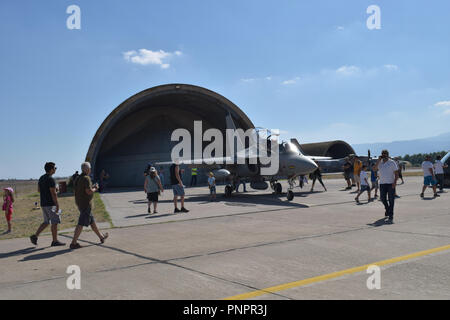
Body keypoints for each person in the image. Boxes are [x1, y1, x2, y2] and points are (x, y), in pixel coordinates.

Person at [70, 162, 109, 250]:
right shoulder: (86, 178)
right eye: (89, 168)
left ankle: (101, 237)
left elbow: (77, 190)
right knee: (80, 224)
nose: (90, 170)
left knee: (92, 222)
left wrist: (92, 188)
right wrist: (96, 188)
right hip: (85, 204)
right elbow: (88, 191)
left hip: (80, 203)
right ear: (87, 169)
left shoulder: (78, 178)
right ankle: (73, 243)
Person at [30, 162, 65, 246]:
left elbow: (39, 190)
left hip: (43, 203)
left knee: (46, 222)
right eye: (55, 168)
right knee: (55, 222)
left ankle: (35, 236)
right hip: (51, 204)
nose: (55, 169)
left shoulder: (41, 178)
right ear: (51, 169)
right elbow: (53, 193)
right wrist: (57, 204)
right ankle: (55, 241)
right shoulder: (51, 179)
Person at [373, 150, 398, 224]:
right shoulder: (379, 163)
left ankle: (391, 215)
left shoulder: (392, 162)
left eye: (385, 154)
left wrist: (395, 182)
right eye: (383, 154)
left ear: (388, 155)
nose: (384, 155)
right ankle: (387, 209)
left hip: (390, 183)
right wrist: (378, 160)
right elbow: (374, 169)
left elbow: (396, 173)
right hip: (382, 183)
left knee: (391, 200)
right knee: (382, 198)